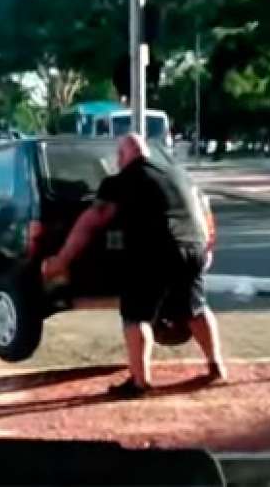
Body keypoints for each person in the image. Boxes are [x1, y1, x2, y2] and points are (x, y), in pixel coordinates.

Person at [41, 134, 226, 399]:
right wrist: (207, 248)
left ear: (122, 156)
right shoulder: (178, 174)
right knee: (195, 308)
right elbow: (203, 212)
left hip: (155, 253)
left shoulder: (122, 181)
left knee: (136, 316)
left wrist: (62, 260)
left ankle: (139, 382)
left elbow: (93, 219)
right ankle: (215, 365)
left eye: (119, 157)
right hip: (193, 246)